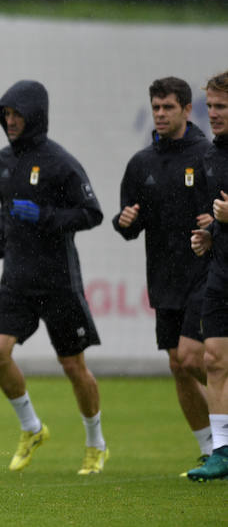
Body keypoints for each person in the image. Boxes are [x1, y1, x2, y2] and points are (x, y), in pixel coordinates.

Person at [0, 79, 108, 475]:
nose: (10, 121)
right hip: (17, 279)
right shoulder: (2, 161)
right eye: (6, 115)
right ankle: (32, 428)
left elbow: (91, 212)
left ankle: (95, 443)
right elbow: (8, 213)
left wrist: (46, 217)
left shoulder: (61, 163)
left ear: (35, 116)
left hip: (58, 281)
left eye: (16, 114)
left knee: (73, 367)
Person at [112, 77, 212, 470]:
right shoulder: (142, 163)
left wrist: (215, 225)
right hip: (164, 278)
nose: (160, 114)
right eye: (156, 107)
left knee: (192, 358)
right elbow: (127, 225)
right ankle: (210, 449)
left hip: (206, 276)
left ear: (187, 110)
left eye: (168, 107)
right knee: (178, 364)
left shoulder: (208, 156)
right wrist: (126, 221)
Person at [188, 69, 228, 480]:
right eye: (211, 105)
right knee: (212, 359)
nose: (212, 114)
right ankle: (222, 450)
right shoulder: (212, 156)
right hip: (220, 272)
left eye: (221, 106)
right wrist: (210, 234)